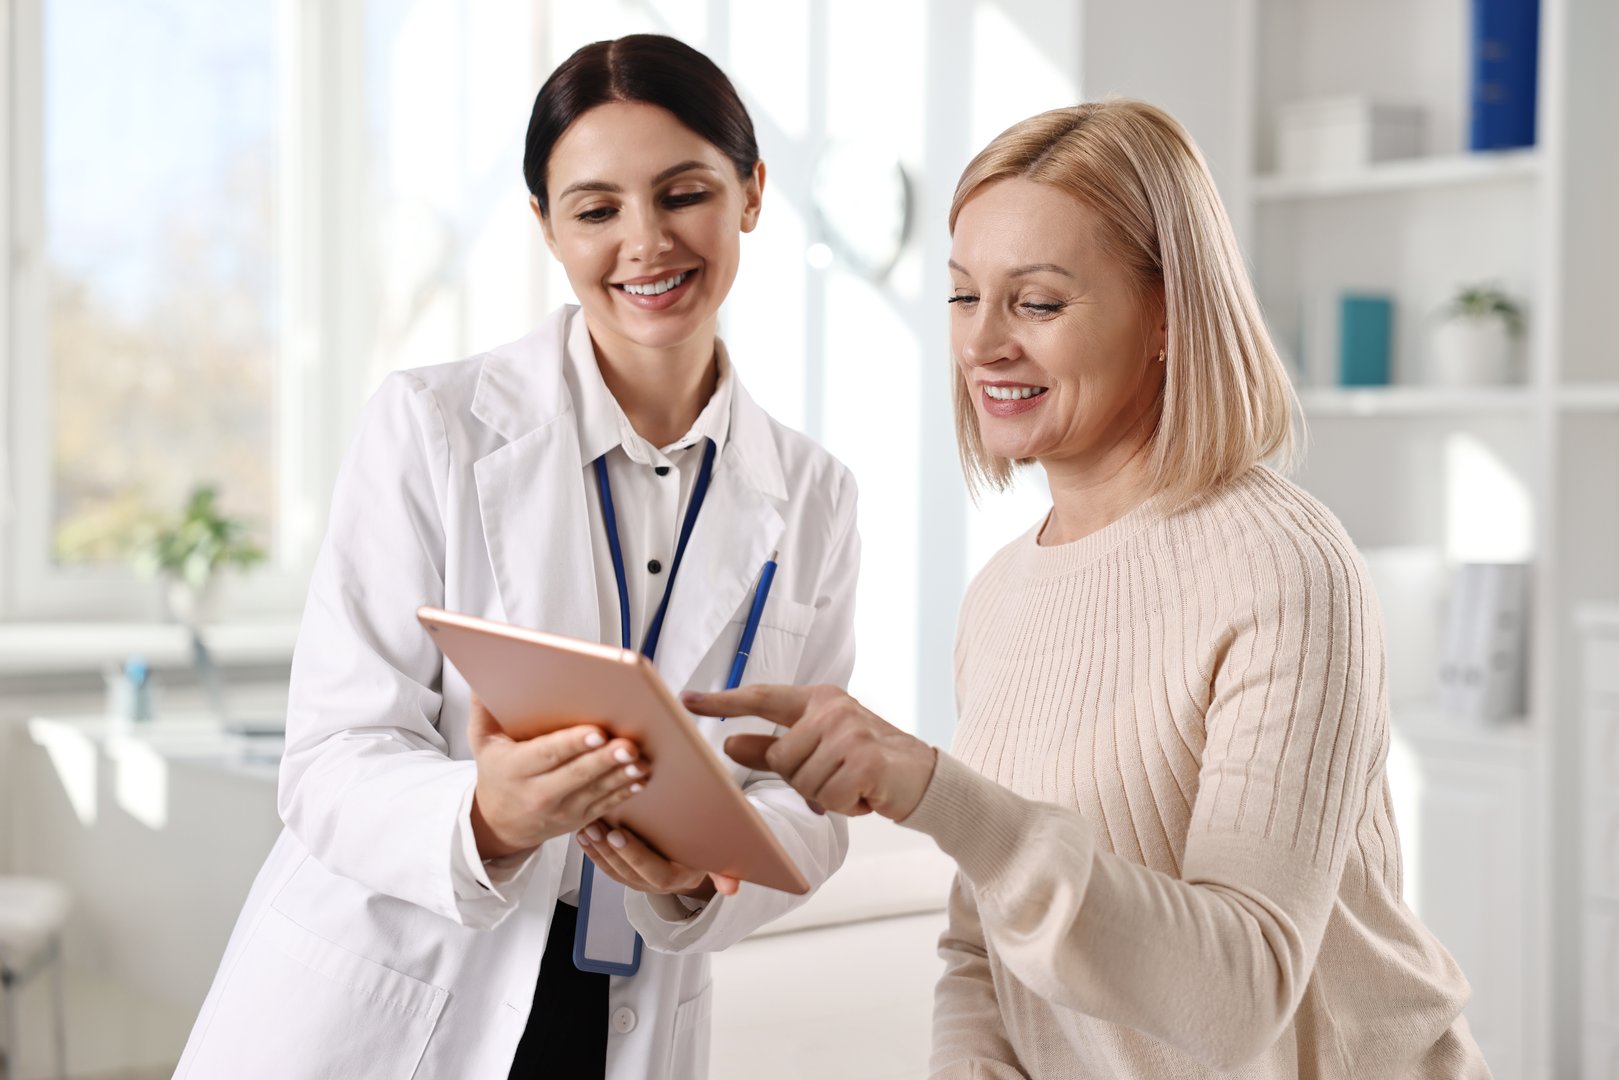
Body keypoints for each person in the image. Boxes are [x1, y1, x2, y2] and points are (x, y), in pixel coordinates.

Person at [691, 100, 1490, 1079]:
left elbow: (1236, 996)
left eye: (1035, 302)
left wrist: (935, 791)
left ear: (1166, 318)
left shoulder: (1281, 566)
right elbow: (983, 954)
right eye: (960, 297)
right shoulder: (1000, 596)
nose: (982, 344)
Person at [176, 34, 857, 1080]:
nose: (645, 242)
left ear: (751, 193)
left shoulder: (814, 498)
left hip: (628, 1010)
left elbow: (802, 801)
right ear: (545, 225)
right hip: (391, 987)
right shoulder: (431, 426)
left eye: (683, 193)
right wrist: (484, 815)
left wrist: (698, 874)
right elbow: (328, 758)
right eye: (595, 210)